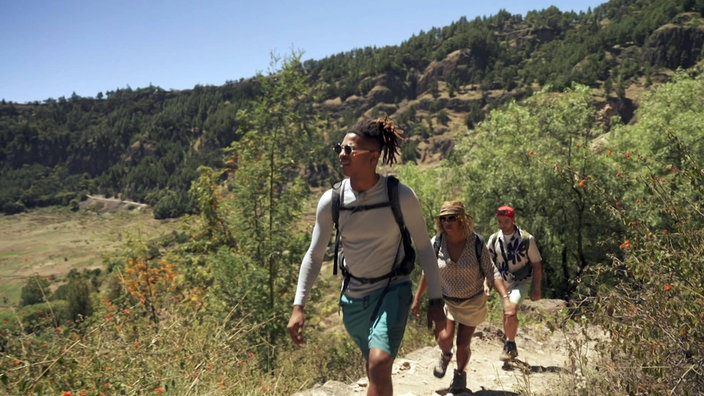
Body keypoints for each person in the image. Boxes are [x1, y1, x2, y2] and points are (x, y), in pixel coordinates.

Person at [287, 117, 446, 396]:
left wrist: (436, 300)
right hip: (353, 300)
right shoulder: (332, 200)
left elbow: (424, 248)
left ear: (372, 157)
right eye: (341, 147)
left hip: (392, 290)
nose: (341, 155)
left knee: (380, 363)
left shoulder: (401, 196)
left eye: (349, 150)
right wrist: (299, 305)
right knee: (375, 368)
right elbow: (314, 254)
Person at [412, 201, 512, 393]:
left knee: (463, 343)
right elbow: (428, 273)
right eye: (444, 218)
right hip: (447, 301)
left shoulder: (475, 243)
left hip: (473, 301)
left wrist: (505, 298)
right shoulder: (437, 243)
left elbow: (492, 272)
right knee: (444, 338)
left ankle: (459, 376)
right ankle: (445, 354)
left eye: (452, 218)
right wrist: (417, 300)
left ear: (462, 220)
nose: (447, 222)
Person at [487, 205, 542, 361]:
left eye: (506, 221)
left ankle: (510, 344)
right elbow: (487, 263)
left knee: (510, 311)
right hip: (503, 281)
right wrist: (486, 283)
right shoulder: (494, 239)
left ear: (513, 220)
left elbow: (537, 265)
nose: (503, 225)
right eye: (500, 221)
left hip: (522, 280)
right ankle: (510, 345)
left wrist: (536, 288)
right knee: (507, 312)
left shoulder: (526, 239)